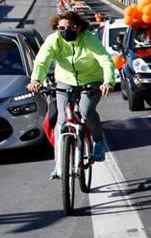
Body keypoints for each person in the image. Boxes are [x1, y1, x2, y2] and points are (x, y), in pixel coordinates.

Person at [28, 11, 116, 175]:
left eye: (70, 27)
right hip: (64, 81)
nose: (65, 30)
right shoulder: (54, 40)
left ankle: (98, 142)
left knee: (87, 111)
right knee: (61, 121)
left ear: (79, 27)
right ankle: (59, 164)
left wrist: (108, 82)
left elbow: (105, 59)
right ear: (57, 28)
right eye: (61, 28)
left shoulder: (88, 39)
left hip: (91, 80)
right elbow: (42, 61)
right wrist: (36, 80)